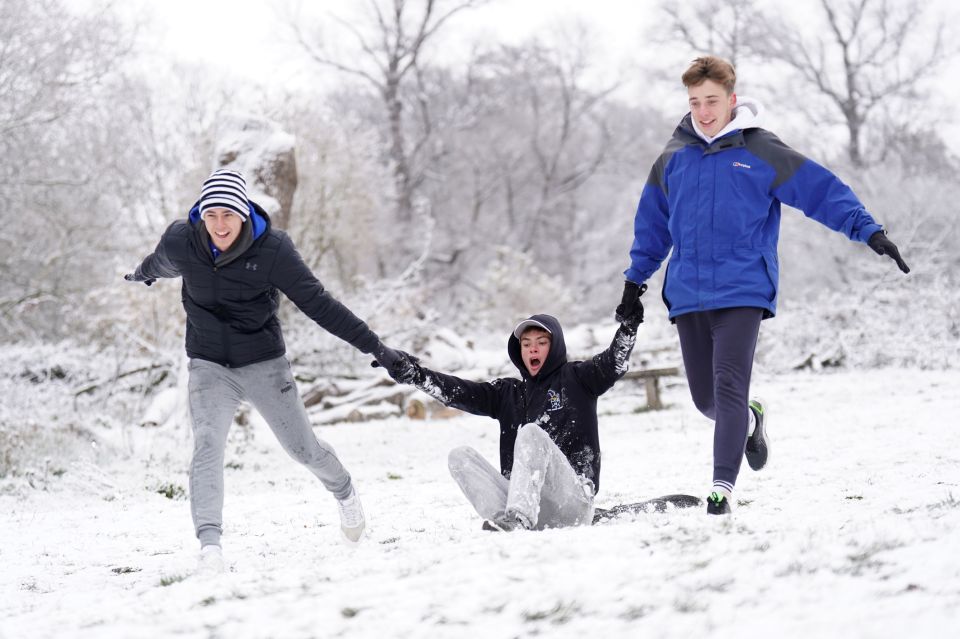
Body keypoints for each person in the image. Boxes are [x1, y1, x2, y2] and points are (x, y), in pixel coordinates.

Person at [618, 56, 910, 515]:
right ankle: (751, 419)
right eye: (695, 102)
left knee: (728, 386)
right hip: (688, 292)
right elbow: (652, 228)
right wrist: (635, 283)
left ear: (731, 100)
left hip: (743, 288)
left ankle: (722, 488)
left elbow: (820, 190)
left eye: (712, 100)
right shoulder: (672, 160)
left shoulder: (760, 151)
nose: (704, 111)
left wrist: (867, 230)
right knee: (706, 400)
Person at [124, 168, 401, 572]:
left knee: (302, 449)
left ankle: (344, 491)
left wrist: (375, 346)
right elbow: (160, 262)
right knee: (206, 445)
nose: (219, 225)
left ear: (243, 214)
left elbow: (319, 304)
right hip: (208, 365)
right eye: (211, 215)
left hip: (264, 363)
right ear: (201, 214)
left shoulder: (273, 249)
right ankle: (210, 548)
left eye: (227, 215)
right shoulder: (182, 240)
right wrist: (142, 275)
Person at [380, 307, 643, 531]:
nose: (533, 349)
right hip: (527, 504)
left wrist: (628, 327)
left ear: (555, 346)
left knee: (530, 432)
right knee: (460, 457)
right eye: (526, 344)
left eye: (541, 342)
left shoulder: (578, 378)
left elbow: (613, 364)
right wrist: (415, 374)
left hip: (572, 503)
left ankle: (519, 518)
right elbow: (457, 391)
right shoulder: (508, 393)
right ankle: (503, 522)